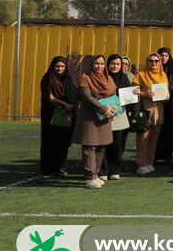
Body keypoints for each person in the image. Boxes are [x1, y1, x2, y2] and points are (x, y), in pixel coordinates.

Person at [73, 55, 117, 188]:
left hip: (104, 117)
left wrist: (114, 108)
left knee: (102, 146)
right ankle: (90, 177)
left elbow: (113, 95)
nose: (99, 66)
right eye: (96, 63)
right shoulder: (85, 78)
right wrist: (104, 108)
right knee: (89, 146)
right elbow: (86, 96)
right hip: (89, 117)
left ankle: (96, 174)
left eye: (102, 63)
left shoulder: (108, 78)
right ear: (92, 65)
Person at [39, 56, 76, 177]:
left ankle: (57, 167)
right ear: (53, 67)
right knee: (50, 142)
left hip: (67, 116)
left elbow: (73, 95)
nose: (60, 69)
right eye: (57, 66)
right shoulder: (48, 79)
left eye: (62, 66)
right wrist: (65, 105)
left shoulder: (68, 79)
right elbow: (50, 98)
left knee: (64, 142)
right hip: (51, 115)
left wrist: (72, 107)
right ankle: (46, 170)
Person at [134, 53, 169, 175]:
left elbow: (166, 93)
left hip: (158, 111)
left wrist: (166, 96)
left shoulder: (163, 75)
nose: (153, 63)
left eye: (156, 61)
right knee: (143, 139)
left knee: (153, 140)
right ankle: (141, 164)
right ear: (147, 62)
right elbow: (133, 92)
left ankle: (150, 163)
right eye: (151, 60)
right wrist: (146, 94)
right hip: (145, 110)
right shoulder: (141, 75)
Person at [105, 54, 138, 180]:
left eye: (118, 64)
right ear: (108, 64)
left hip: (120, 115)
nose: (115, 66)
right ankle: (104, 170)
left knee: (118, 144)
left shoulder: (124, 78)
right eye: (113, 64)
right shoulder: (103, 77)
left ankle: (115, 169)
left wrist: (134, 94)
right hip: (105, 115)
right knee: (104, 144)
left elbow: (129, 99)